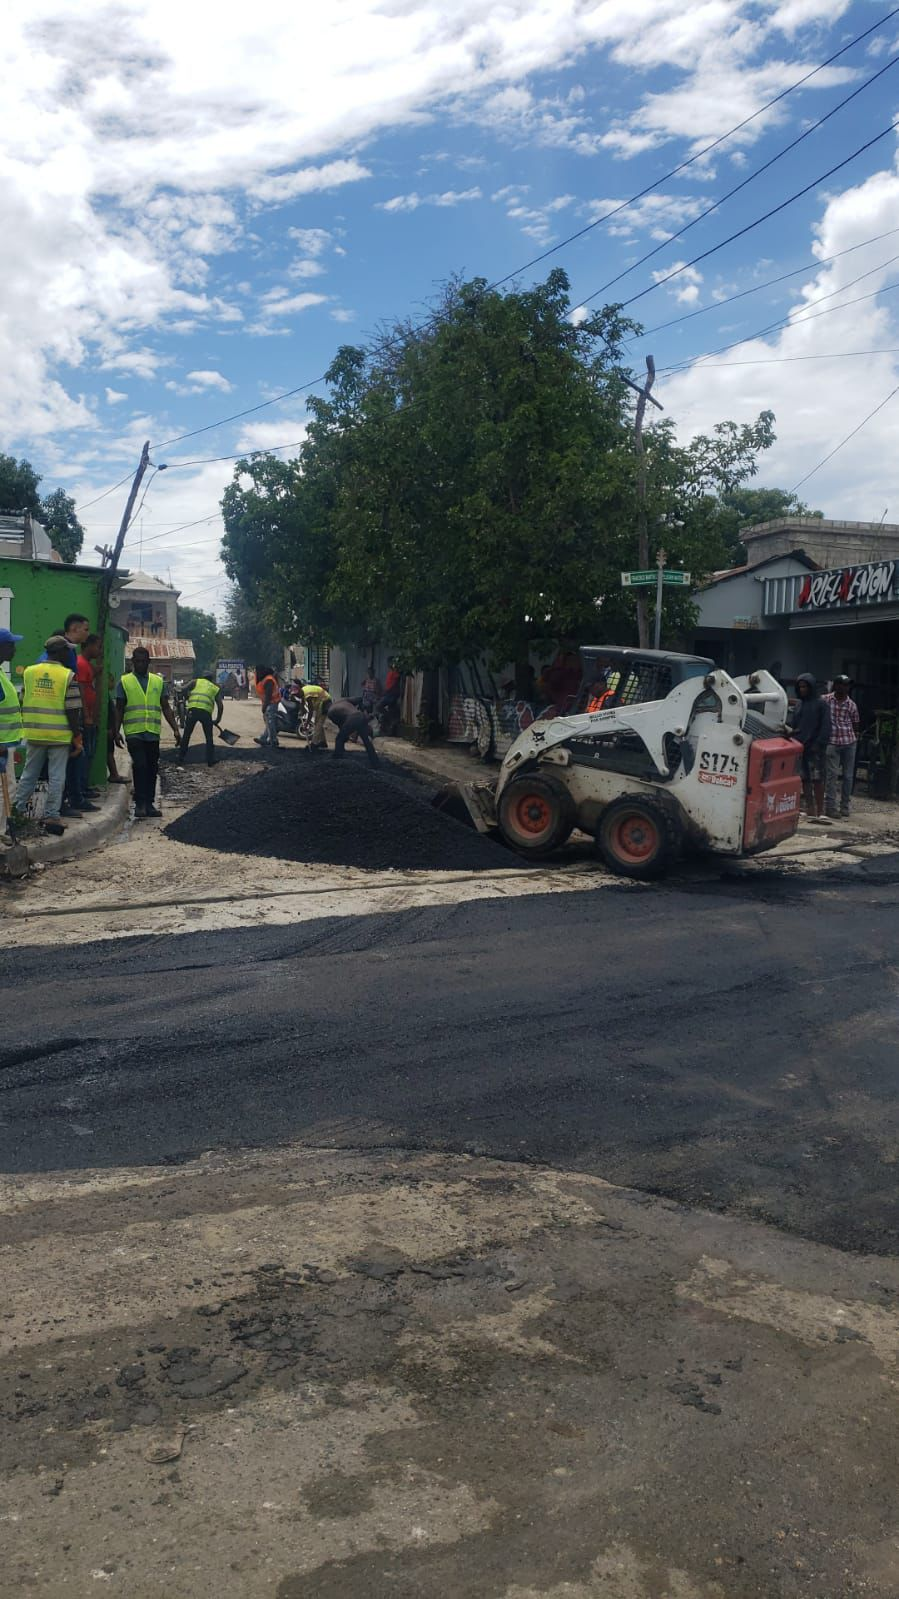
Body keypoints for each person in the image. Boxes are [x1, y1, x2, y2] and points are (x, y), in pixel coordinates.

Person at [11, 636, 83, 835]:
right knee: (57, 776)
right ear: (61, 652)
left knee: (28, 775)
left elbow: (23, 699)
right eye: (67, 650)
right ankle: (52, 815)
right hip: (58, 735)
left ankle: (16, 813)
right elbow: (72, 710)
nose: (70, 653)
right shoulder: (67, 675)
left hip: (34, 733)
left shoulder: (29, 672)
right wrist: (77, 736)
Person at [115, 647, 180, 818]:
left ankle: (149, 804)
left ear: (149, 662)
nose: (141, 664)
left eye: (144, 661)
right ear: (133, 662)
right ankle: (140, 804)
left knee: (152, 767)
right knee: (140, 765)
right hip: (134, 733)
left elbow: (166, 707)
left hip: (152, 732)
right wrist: (116, 731)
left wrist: (175, 729)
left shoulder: (158, 682)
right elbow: (119, 709)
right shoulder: (124, 682)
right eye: (137, 661)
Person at [789, 673, 832, 825]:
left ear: (811, 687)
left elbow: (826, 727)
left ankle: (820, 811)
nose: (802, 689)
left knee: (818, 779)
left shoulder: (822, 704)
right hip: (801, 746)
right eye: (800, 686)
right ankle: (810, 810)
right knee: (805, 779)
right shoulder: (799, 705)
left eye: (805, 686)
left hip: (815, 748)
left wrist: (819, 744)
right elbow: (794, 725)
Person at [823, 674, 860, 819]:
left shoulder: (851, 704)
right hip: (832, 741)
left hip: (848, 741)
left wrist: (855, 738)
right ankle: (830, 807)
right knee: (832, 776)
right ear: (836, 685)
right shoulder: (826, 700)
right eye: (843, 685)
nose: (845, 688)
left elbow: (856, 723)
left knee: (848, 776)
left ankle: (845, 806)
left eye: (847, 685)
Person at [0, 628, 24, 821]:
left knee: (8, 790)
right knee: (5, 791)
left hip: (6, 743)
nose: (14, 649)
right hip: (1, 745)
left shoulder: (1, 673)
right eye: (11, 645)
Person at [178, 670, 224, 766]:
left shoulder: (195, 681)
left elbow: (182, 689)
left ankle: (180, 757)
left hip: (193, 710)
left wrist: (180, 690)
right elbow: (220, 705)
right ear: (211, 679)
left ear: (203, 677)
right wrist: (217, 720)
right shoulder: (215, 688)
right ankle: (210, 760)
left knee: (187, 734)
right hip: (205, 713)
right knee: (209, 737)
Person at [328, 697, 380, 767]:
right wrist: (362, 710)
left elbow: (340, 724)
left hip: (352, 718)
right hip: (360, 716)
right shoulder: (343, 700)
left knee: (339, 739)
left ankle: (338, 759)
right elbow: (359, 699)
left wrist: (345, 735)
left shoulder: (330, 712)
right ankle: (375, 762)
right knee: (366, 741)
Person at [253, 664, 281, 748]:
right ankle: (264, 738)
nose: (257, 674)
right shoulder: (265, 679)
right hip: (269, 703)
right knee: (269, 722)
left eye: (258, 672)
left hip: (272, 703)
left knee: (270, 722)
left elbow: (268, 696)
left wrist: (264, 706)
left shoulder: (268, 680)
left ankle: (273, 741)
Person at [302, 679, 332, 749]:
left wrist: (306, 724)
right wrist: (301, 711)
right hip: (320, 703)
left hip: (325, 702)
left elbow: (310, 711)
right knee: (317, 723)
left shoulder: (308, 695)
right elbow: (302, 704)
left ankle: (314, 743)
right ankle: (323, 742)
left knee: (319, 724)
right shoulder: (302, 691)